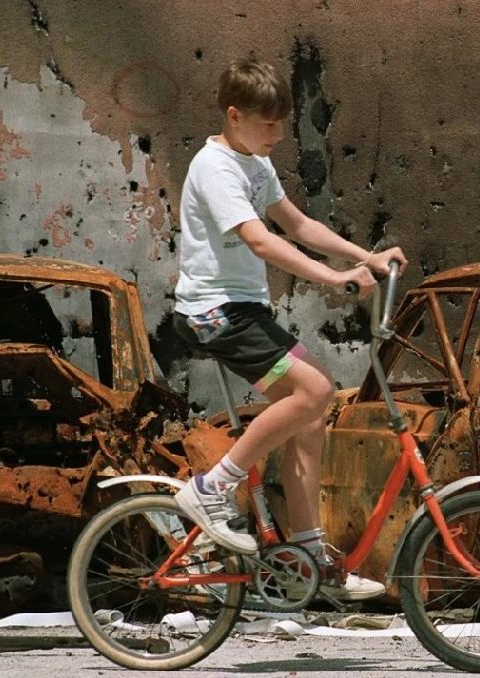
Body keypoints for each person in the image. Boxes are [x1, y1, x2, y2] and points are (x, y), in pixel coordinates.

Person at [172, 56, 405, 601]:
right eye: (266, 123)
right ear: (234, 115)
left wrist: (364, 258)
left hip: (246, 310)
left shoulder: (255, 163)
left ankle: (308, 561)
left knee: (311, 415)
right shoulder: (216, 167)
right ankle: (211, 488)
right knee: (317, 389)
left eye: (282, 124)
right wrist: (332, 278)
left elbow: (297, 225)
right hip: (215, 311)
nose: (277, 134)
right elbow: (260, 240)